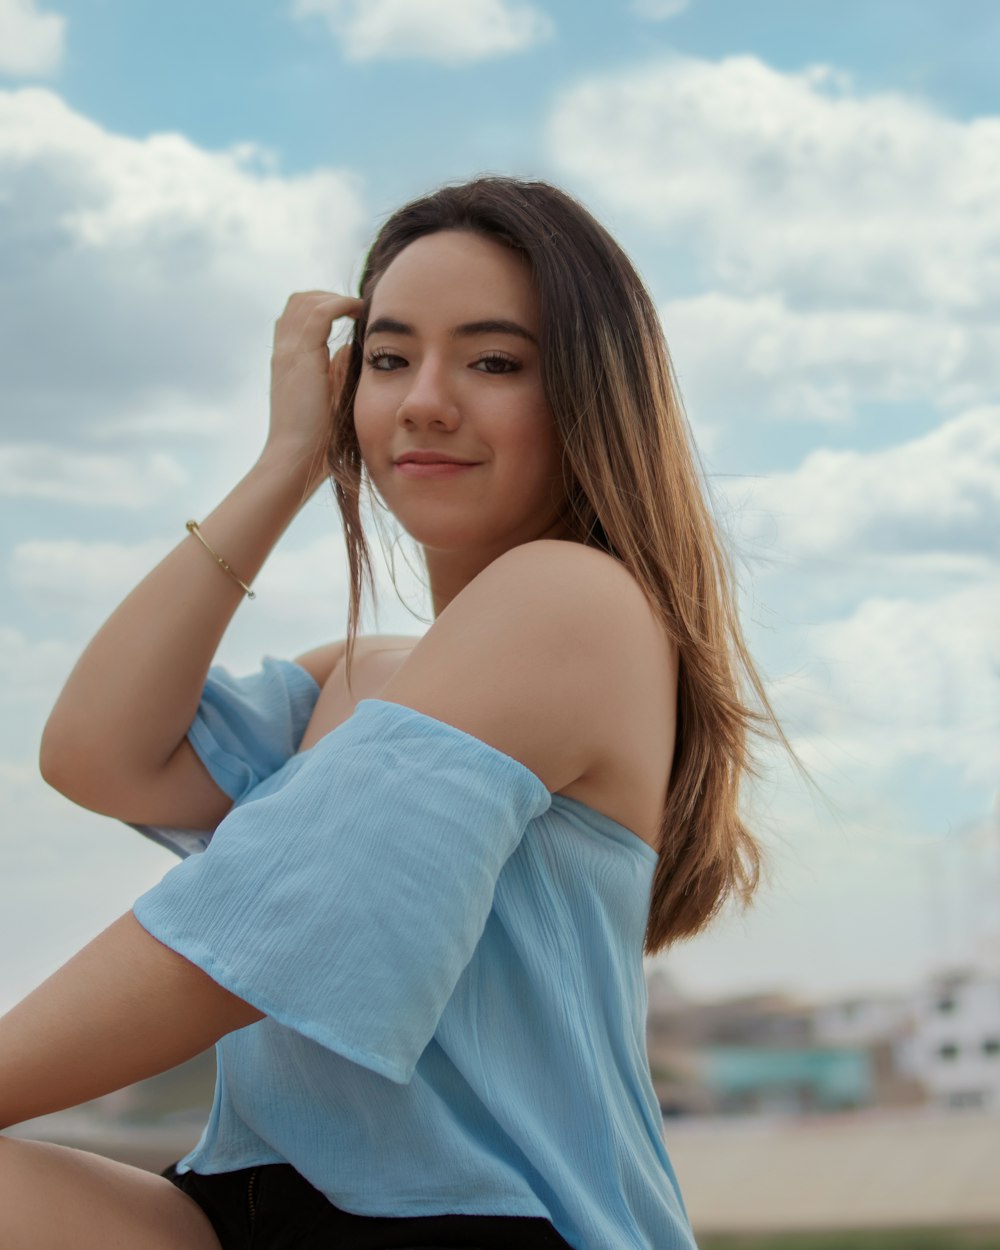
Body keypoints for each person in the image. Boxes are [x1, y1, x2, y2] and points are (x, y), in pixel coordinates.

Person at [0, 176, 805, 1249]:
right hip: (250, 1201)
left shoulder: (574, 600)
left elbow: (266, 923)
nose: (425, 398)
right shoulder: (358, 674)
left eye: (493, 360)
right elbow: (98, 753)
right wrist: (287, 460)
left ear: (586, 395)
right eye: (388, 359)